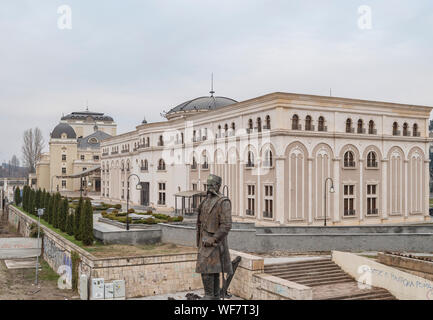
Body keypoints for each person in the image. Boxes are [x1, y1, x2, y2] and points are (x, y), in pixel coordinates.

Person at [195, 174, 233, 300]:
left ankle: (209, 296)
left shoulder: (223, 201)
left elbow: (226, 225)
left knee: (207, 270)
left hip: (214, 243)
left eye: (212, 185)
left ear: (218, 186)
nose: (209, 187)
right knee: (210, 271)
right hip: (203, 241)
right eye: (208, 185)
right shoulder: (206, 200)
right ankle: (213, 296)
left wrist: (214, 238)